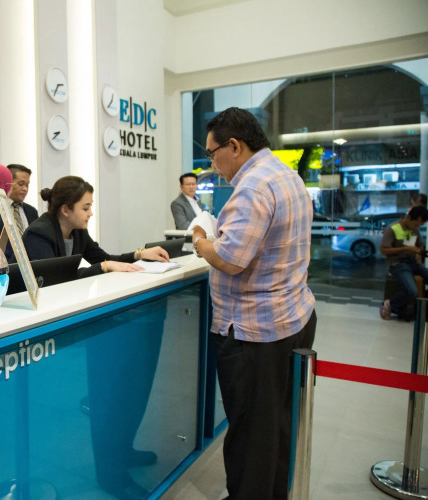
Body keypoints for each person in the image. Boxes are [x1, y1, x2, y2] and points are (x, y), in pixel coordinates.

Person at [190, 107, 316, 500]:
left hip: (254, 332)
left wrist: (200, 239)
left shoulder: (251, 188)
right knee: (275, 424)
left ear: (234, 146)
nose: (212, 165)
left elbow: (230, 259)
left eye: (212, 155)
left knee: (249, 431)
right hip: (292, 317)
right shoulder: (286, 175)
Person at [22, 175, 169, 278]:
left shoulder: (78, 231)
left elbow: (103, 258)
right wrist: (103, 267)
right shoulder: (39, 233)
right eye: (85, 208)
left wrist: (140, 254)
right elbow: (54, 278)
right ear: (66, 210)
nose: (91, 213)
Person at [379, 206, 428, 320]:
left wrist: (419, 250)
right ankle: (389, 304)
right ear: (409, 218)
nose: (416, 227)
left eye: (419, 225)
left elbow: (420, 244)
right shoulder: (392, 228)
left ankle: (422, 309)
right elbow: (383, 250)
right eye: (415, 224)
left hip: (413, 263)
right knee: (411, 291)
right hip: (398, 264)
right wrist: (405, 249)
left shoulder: (415, 229)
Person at [7, 163, 38, 235]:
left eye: (27, 185)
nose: (25, 189)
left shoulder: (32, 211)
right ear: (8, 183)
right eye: (21, 184)